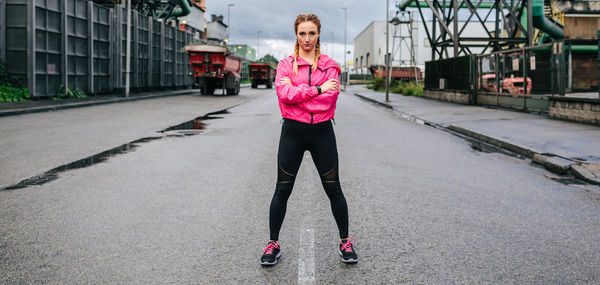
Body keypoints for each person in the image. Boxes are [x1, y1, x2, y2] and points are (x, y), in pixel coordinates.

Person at [260, 13, 358, 266]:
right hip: (292, 132)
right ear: (296, 35)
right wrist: (316, 90)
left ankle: (345, 242)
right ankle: (273, 244)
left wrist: (300, 95)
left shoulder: (331, 66)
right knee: (282, 190)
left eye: (311, 33)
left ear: (318, 34)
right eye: (302, 33)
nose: (307, 38)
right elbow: (284, 94)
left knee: (334, 189)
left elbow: (329, 99)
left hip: (322, 133)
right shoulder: (284, 65)